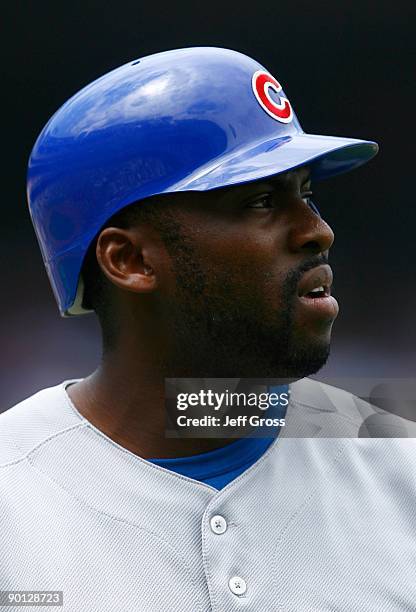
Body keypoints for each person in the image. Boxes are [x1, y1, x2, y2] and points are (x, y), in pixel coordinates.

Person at [1, 47, 415, 611]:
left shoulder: (402, 474)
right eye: (263, 200)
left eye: (308, 194)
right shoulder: (12, 498)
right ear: (130, 261)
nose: (318, 232)